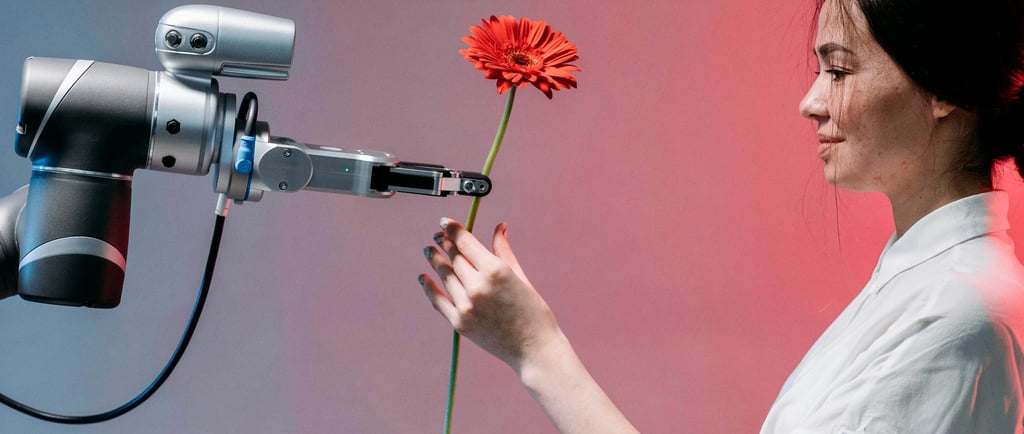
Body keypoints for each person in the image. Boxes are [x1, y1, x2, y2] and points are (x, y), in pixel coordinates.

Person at [418, 0, 1024, 432]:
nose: (810, 102)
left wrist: (537, 350)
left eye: (838, 71)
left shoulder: (959, 316)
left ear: (945, 87)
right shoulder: (925, 285)